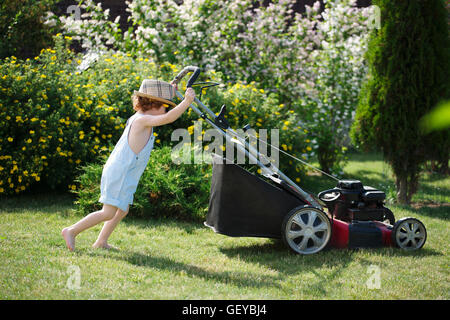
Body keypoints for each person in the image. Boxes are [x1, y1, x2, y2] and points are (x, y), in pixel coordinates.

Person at [62, 79, 195, 251]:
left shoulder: (143, 118)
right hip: (120, 171)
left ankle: (101, 242)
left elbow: (164, 114)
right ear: (152, 104)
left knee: (122, 209)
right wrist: (186, 101)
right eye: (164, 105)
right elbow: (168, 118)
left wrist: (169, 91)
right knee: (108, 212)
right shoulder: (141, 120)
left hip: (128, 172)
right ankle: (71, 230)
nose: (165, 110)